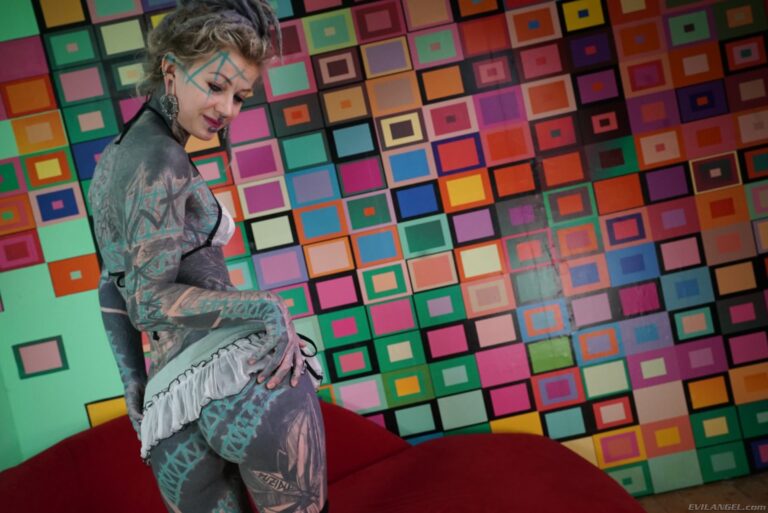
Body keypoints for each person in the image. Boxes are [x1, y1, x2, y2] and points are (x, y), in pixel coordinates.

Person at [88, 1, 328, 511]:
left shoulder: (113, 160)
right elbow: (148, 301)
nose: (228, 109)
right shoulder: (162, 157)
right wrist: (265, 305)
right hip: (241, 377)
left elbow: (113, 283)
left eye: (240, 96)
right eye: (216, 86)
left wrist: (133, 381)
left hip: (169, 404)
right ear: (170, 70)